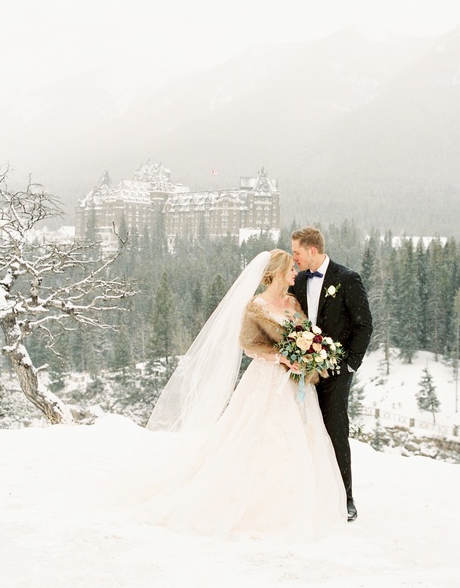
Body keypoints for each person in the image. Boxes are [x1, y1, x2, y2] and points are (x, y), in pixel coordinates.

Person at [138, 249, 346, 539]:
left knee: (301, 436)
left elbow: (306, 332)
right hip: (266, 379)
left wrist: (309, 353)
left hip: (295, 382)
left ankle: (296, 496)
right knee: (255, 434)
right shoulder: (256, 307)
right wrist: (281, 357)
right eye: (290, 270)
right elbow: (249, 345)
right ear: (275, 273)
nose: (295, 274)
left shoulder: (294, 302)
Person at [289, 227, 373, 522]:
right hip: (303, 370)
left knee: (336, 430)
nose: (294, 258)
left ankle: (346, 497)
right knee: (303, 430)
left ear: (312, 250)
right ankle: (310, 492)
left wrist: (350, 364)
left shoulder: (347, 279)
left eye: (297, 252)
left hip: (336, 371)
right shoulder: (298, 280)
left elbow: (364, 325)